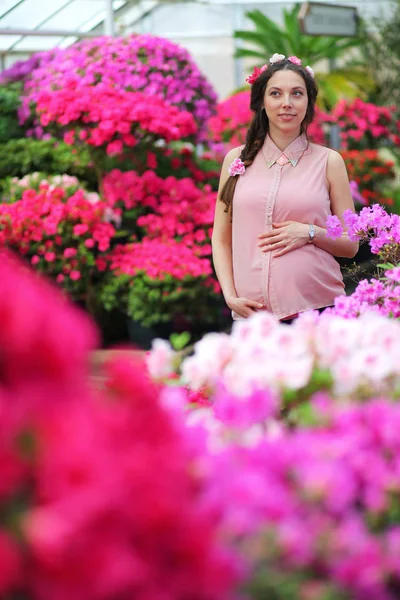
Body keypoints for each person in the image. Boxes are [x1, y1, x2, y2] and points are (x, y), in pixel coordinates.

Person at [211, 53, 359, 322]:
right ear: (262, 102)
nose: (286, 103)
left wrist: (309, 232)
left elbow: (351, 244)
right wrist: (230, 296)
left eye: (297, 94)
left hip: (317, 310)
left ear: (308, 103)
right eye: (276, 93)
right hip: (253, 317)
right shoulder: (236, 161)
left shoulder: (329, 162)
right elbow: (221, 238)